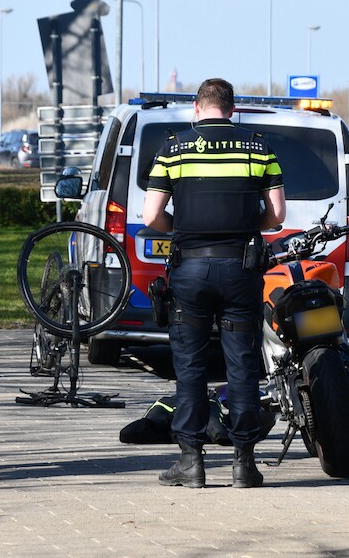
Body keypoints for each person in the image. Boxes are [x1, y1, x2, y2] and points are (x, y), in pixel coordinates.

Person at [143, 78, 286, 489]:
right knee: (242, 363)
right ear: (231, 108)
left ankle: (191, 462)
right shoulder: (258, 147)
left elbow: (152, 215)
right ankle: (244, 462)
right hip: (241, 269)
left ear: (197, 107)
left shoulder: (173, 148)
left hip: (189, 270)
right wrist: (241, 228)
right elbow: (276, 215)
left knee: (189, 364)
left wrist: (184, 230)